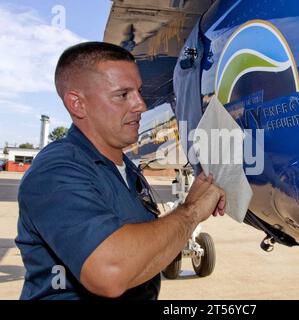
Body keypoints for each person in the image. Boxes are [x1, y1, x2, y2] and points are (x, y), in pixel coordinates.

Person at [15, 42, 226, 300]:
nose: (141, 105)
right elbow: (110, 272)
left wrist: (200, 198)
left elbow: (141, 255)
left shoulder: (125, 168)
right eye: (123, 94)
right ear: (77, 104)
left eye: (139, 91)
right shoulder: (55, 171)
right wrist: (191, 211)